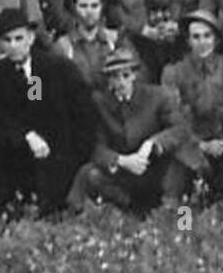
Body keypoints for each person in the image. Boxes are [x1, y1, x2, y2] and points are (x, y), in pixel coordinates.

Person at [0, 8, 96, 215]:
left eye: (19, 38)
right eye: (7, 40)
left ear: (31, 38)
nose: (14, 45)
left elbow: (80, 113)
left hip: (62, 145)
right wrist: (27, 135)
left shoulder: (57, 67)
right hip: (21, 146)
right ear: (0, 44)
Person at [161, 10, 223, 211]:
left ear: (216, 39)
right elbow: (172, 117)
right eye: (196, 37)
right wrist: (202, 145)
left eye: (207, 36)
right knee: (175, 202)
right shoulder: (173, 73)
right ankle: (183, 228)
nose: (202, 42)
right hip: (188, 145)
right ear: (188, 40)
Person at [67, 49, 189, 213]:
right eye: (114, 77)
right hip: (123, 172)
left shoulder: (157, 96)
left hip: (153, 167)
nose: (121, 82)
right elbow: (95, 145)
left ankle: (172, 208)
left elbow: (179, 129)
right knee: (90, 173)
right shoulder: (100, 102)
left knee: (180, 159)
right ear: (109, 80)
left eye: (125, 76)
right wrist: (121, 160)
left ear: (134, 75)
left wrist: (152, 144)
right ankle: (128, 209)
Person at [53, 0, 121, 86]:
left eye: (94, 6)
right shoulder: (63, 46)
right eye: (83, 6)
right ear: (74, 8)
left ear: (102, 7)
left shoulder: (114, 40)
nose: (89, 11)